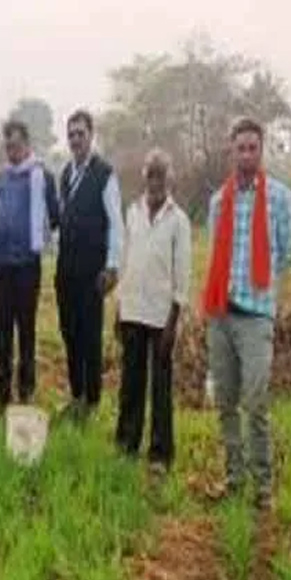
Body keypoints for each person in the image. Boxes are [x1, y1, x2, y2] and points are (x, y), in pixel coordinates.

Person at [202, 116, 291, 510]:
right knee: (225, 401)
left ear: (261, 151)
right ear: (231, 151)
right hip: (221, 314)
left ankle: (263, 486)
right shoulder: (217, 201)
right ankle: (234, 478)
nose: (246, 154)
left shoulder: (279, 197)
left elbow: (289, 253)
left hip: (257, 314)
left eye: (252, 148)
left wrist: (264, 280)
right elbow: (214, 254)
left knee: (256, 401)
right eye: (240, 148)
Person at [115, 149, 191, 474]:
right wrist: (118, 308)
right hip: (132, 309)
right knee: (130, 383)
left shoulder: (179, 220)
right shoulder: (132, 212)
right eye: (151, 174)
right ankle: (126, 443)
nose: (156, 181)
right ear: (144, 177)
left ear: (169, 177)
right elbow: (125, 260)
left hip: (162, 317)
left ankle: (160, 453)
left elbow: (183, 273)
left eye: (161, 174)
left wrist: (174, 320)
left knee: (160, 387)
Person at [0, 119, 60, 407]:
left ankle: (26, 389)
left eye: (15, 144)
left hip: (27, 266)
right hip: (1, 266)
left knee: (25, 329)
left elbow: (53, 217)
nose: (11, 150)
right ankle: (3, 391)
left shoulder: (42, 176)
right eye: (7, 145)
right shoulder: (1, 178)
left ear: (27, 144)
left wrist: (32, 234)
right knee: (2, 330)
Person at [56, 109, 124, 417]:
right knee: (69, 330)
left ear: (91, 135)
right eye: (71, 134)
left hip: (93, 270)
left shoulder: (104, 174)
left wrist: (111, 267)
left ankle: (93, 401)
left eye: (80, 133)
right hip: (66, 269)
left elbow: (115, 224)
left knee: (89, 334)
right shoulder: (66, 175)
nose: (75, 140)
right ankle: (77, 393)